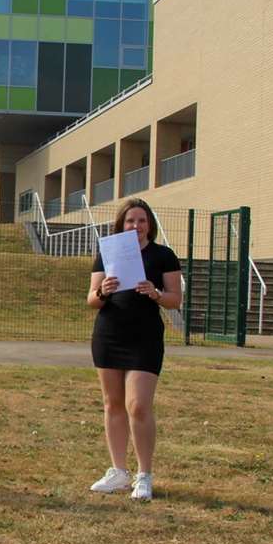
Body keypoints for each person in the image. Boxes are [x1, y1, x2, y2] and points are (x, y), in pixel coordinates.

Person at [86, 198, 184, 502]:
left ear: (149, 225)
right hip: (109, 334)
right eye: (130, 221)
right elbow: (91, 299)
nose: (136, 226)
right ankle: (118, 471)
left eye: (142, 221)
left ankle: (144, 475)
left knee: (138, 405)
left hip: (144, 339)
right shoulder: (108, 253)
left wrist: (156, 293)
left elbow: (175, 299)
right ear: (121, 225)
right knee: (112, 404)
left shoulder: (163, 255)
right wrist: (104, 290)